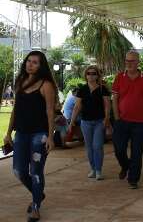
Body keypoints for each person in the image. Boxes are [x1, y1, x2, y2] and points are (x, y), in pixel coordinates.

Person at [3, 51, 57, 222]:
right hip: (21, 133)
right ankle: (38, 194)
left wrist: (50, 136)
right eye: (29, 61)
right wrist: (8, 133)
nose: (30, 64)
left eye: (35, 62)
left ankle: (35, 207)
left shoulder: (45, 84)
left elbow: (50, 112)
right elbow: (15, 110)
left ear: (41, 66)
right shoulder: (20, 81)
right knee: (18, 171)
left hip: (39, 135)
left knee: (35, 172)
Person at [112, 51, 143, 189]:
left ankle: (133, 179)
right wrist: (117, 117)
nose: (129, 64)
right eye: (127, 61)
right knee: (119, 149)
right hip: (122, 121)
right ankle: (126, 166)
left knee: (137, 151)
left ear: (138, 62)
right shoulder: (119, 77)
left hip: (140, 122)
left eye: (132, 61)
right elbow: (115, 99)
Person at [69, 66, 111, 180]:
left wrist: (106, 119)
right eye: (88, 73)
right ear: (85, 75)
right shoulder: (82, 89)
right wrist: (72, 121)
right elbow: (77, 107)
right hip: (85, 122)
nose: (91, 76)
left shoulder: (103, 89)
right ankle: (92, 169)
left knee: (97, 146)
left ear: (97, 75)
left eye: (93, 73)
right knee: (89, 147)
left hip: (99, 121)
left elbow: (107, 105)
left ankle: (98, 170)